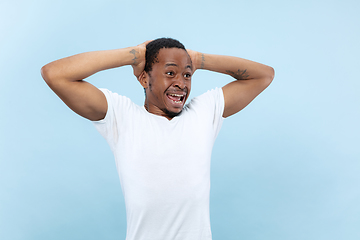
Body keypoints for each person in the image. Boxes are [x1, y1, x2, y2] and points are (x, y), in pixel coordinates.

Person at [41, 37, 274, 240]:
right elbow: (55, 74)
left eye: (187, 75)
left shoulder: (203, 112)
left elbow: (263, 75)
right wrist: (133, 55)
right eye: (170, 73)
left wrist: (198, 59)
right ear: (144, 79)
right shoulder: (122, 116)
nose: (181, 83)